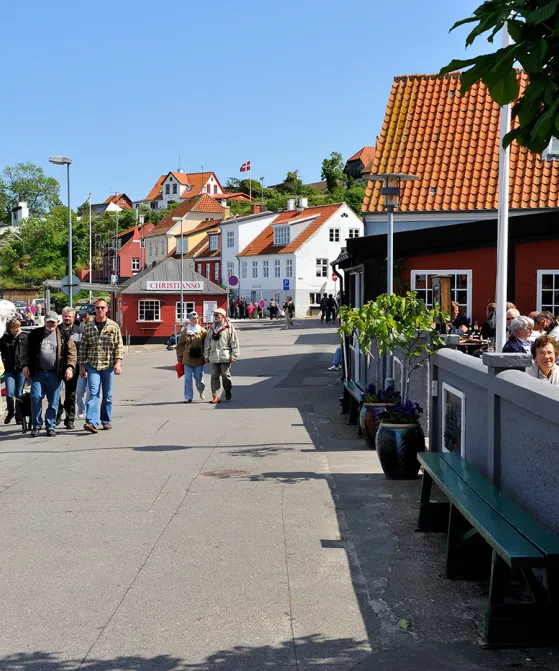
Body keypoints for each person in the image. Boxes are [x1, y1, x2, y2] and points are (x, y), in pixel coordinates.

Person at [20, 311, 77, 437]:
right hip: (38, 373)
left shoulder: (63, 335)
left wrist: (69, 367)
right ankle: (36, 425)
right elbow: (24, 350)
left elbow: (72, 353)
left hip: (54, 374)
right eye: (48, 321)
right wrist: (24, 365)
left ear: (57, 322)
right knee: (35, 397)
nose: (51, 324)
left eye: (53, 322)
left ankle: (50, 426)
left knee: (53, 401)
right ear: (44, 321)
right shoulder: (34, 334)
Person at [78, 297, 124, 434]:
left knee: (108, 395)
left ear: (107, 309)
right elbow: (83, 347)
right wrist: (81, 366)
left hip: (109, 365)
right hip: (93, 365)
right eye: (97, 308)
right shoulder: (88, 327)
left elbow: (119, 346)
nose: (100, 310)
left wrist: (118, 363)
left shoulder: (113, 326)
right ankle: (91, 421)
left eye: (102, 308)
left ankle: (106, 420)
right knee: (93, 393)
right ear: (94, 309)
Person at [204, 308, 240, 404]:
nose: (215, 316)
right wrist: (206, 355)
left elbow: (234, 342)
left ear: (223, 316)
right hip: (214, 355)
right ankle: (215, 396)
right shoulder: (211, 328)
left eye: (217, 315)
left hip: (225, 355)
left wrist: (234, 355)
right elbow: (207, 342)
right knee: (214, 376)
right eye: (214, 315)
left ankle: (227, 390)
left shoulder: (229, 327)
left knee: (225, 375)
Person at [56, 307, 84, 429]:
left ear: (74, 317)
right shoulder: (55, 330)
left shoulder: (79, 331)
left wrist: (83, 366)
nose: (67, 318)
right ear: (62, 316)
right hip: (57, 366)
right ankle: (58, 413)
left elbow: (82, 349)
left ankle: (70, 419)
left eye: (69, 316)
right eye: (65, 316)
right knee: (55, 394)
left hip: (73, 366)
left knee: (71, 394)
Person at [0, 318, 26, 425]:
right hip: (9, 370)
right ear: (9, 328)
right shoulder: (4, 339)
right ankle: (11, 412)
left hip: (20, 369)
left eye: (18, 327)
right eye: (14, 327)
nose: (17, 329)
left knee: (19, 393)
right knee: (10, 393)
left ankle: (19, 416)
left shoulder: (23, 337)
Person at [177, 312, 207, 403]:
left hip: (199, 358)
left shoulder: (203, 331)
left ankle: (201, 390)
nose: (196, 320)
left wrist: (207, 355)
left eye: (197, 318)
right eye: (194, 318)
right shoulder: (185, 331)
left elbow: (207, 344)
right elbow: (180, 345)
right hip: (187, 359)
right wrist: (180, 358)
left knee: (199, 378)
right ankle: (188, 396)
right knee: (188, 378)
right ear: (190, 320)